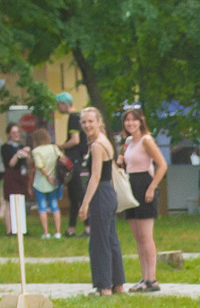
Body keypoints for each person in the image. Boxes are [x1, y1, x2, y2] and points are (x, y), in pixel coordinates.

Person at [73, 106, 124, 294]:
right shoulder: (105, 141)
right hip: (109, 193)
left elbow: (95, 177)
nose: (87, 125)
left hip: (100, 193)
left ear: (99, 122)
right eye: (84, 122)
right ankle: (118, 284)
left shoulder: (96, 146)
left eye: (90, 121)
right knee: (111, 240)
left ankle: (104, 287)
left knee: (99, 242)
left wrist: (84, 204)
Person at [119, 104, 166, 292]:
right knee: (137, 236)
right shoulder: (128, 142)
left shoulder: (147, 140)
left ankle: (152, 278)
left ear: (140, 121)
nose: (130, 123)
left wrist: (152, 187)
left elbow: (162, 164)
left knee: (146, 236)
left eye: (133, 119)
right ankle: (144, 276)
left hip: (144, 183)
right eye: (127, 120)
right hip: (131, 184)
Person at [30, 123, 63, 238]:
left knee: (42, 208)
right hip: (54, 181)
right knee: (55, 206)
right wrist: (52, 176)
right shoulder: (54, 148)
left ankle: (46, 233)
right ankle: (58, 232)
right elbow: (61, 159)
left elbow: (39, 165)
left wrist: (47, 175)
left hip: (40, 182)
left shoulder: (36, 151)